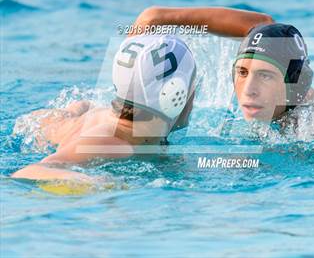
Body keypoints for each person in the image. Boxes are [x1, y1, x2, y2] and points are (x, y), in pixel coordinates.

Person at [130, 6, 314, 126]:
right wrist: (157, 17)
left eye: (264, 76)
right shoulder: (273, 59)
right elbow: (263, 27)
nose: (248, 90)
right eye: (242, 72)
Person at [11, 34, 197, 181]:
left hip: (91, 115)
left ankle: (79, 109)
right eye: (192, 86)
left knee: (83, 108)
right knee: (72, 117)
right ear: (174, 96)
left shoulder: (148, 135)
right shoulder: (112, 141)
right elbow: (31, 171)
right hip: (45, 125)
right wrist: (86, 181)